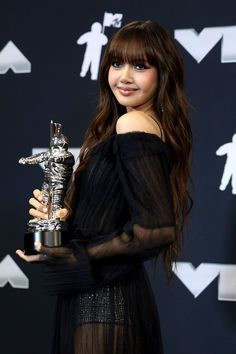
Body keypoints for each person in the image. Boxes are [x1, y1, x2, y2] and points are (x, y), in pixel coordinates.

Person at [16, 20, 192, 354]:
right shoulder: (130, 125)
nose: (124, 77)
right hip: (103, 297)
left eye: (140, 66)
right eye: (116, 63)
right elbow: (110, 218)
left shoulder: (133, 123)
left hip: (105, 301)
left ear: (162, 73)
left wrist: (73, 254)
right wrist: (59, 221)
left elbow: (155, 230)